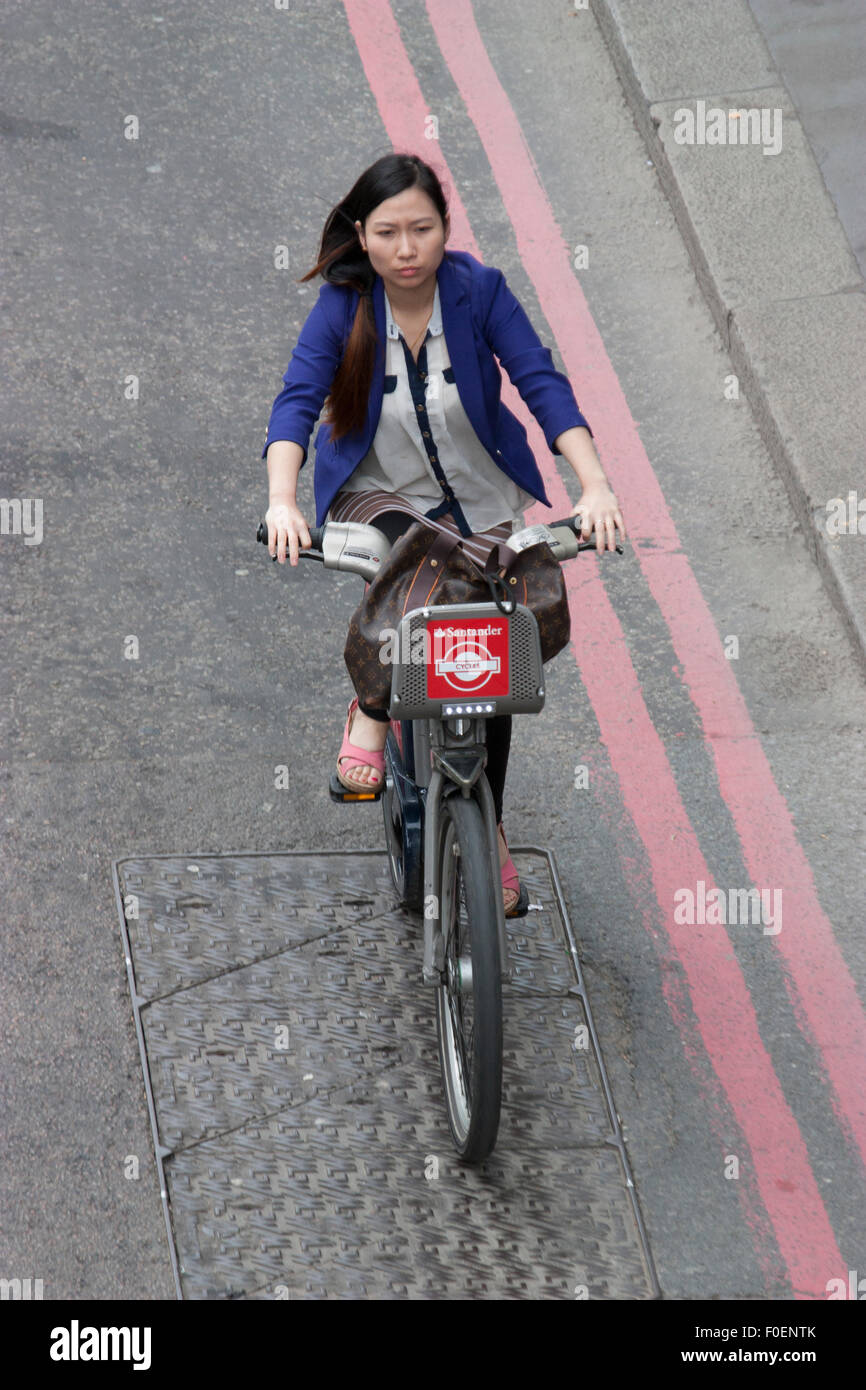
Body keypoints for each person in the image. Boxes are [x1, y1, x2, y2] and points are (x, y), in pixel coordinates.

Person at [262, 153, 624, 915]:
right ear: (362, 236)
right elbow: (296, 402)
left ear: (445, 229)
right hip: (379, 495)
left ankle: (485, 824)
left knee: (493, 647)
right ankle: (374, 701)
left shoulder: (479, 291)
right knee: (414, 559)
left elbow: (541, 383)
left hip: (478, 502)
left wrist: (593, 485)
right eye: (387, 232)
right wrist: (283, 501)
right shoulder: (343, 307)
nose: (405, 248)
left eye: (421, 229)